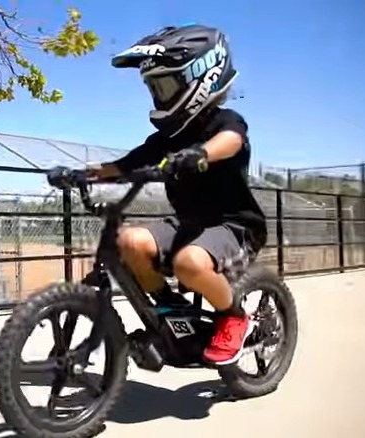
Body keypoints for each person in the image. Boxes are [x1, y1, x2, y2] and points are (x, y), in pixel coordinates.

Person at [88, 23, 267, 365]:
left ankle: (233, 316)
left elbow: (232, 141)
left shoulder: (224, 122)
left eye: (165, 85)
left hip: (234, 227)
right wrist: (86, 173)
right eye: (153, 87)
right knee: (129, 241)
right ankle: (171, 306)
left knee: (189, 263)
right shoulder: (167, 139)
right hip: (188, 223)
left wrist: (200, 154)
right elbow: (128, 163)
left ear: (200, 77)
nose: (158, 94)